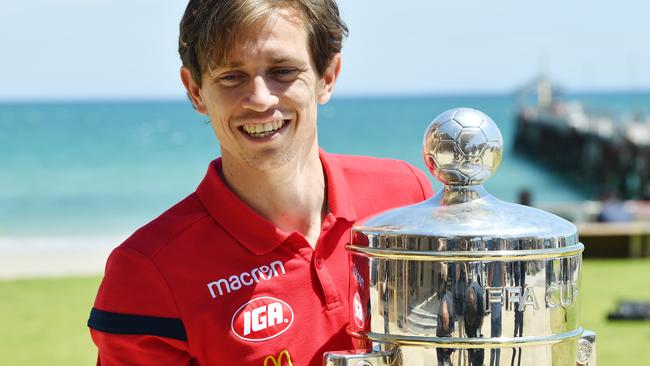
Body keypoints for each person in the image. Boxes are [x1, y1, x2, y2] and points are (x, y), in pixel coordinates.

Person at [87, 1, 433, 365]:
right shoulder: (147, 269)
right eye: (231, 76)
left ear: (327, 76)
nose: (260, 99)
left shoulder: (406, 198)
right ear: (195, 91)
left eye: (283, 71)